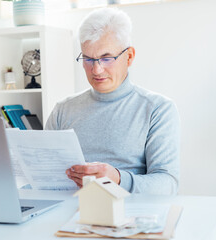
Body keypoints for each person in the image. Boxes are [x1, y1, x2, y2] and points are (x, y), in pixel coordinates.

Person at [45, 8, 180, 194]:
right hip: (68, 213)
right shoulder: (63, 110)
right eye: (88, 59)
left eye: (106, 58)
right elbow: (43, 176)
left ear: (129, 56)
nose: (97, 70)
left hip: (130, 216)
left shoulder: (158, 109)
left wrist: (117, 179)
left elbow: (168, 184)